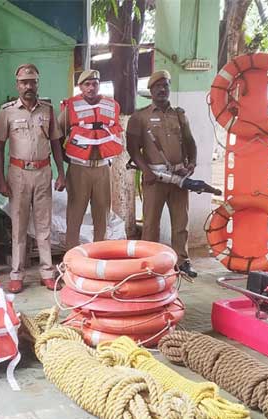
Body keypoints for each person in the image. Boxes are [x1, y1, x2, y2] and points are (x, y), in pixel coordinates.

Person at [0, 64, 65, 293]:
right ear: (17, 85)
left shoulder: (48, 110)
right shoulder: (7, 111)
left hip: (44, 172)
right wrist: (1, 181)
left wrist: (61, 173)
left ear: (37, 83)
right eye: (24, 82)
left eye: (32, 82)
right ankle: (17, 274)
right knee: (19, 226)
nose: (28, 86)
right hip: (18, 174)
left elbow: (55, 143)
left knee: (44, 226)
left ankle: (47, 272)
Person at [126, 70, 198, 278]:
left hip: (179, 177)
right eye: (157, 86)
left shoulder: (179, 114)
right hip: (154, 178)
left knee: (180, 222)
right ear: (150, 90)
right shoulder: (140, 117)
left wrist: (191, 164)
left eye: (165, 85)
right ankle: (149, 263)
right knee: (150, 224)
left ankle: (182, 261)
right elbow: (132, 149)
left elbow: (190, 142)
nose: (162, 89)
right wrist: (146, 171)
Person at [58, 69, 123, 249]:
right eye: (87, 84)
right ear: (80, 87)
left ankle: (99, 257)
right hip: (79, 168)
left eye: (95, 83)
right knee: (75, 216)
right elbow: (57, 136)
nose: (91, 88)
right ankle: (71, 259)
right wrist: (69, 161)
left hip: (103, 168)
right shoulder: (71, 108)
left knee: (102, 216)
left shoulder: (110, 106)